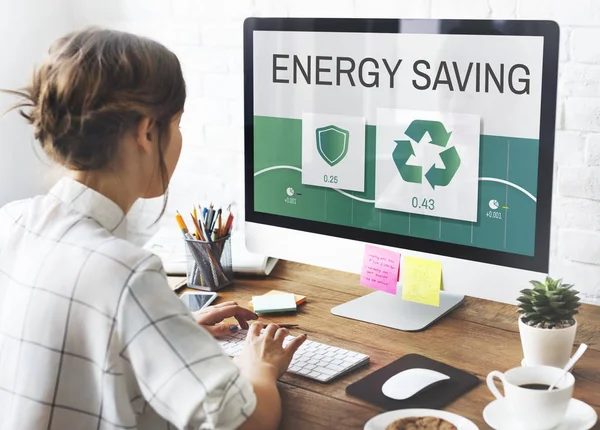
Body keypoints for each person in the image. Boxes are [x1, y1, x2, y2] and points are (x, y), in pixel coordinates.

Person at [0, 27, 306, 430]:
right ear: (147, 132)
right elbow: (247, 421)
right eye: (176, 124)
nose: (178, 139)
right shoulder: (126, 273)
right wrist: (259, 366)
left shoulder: (11, 221)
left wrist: (165, 330)